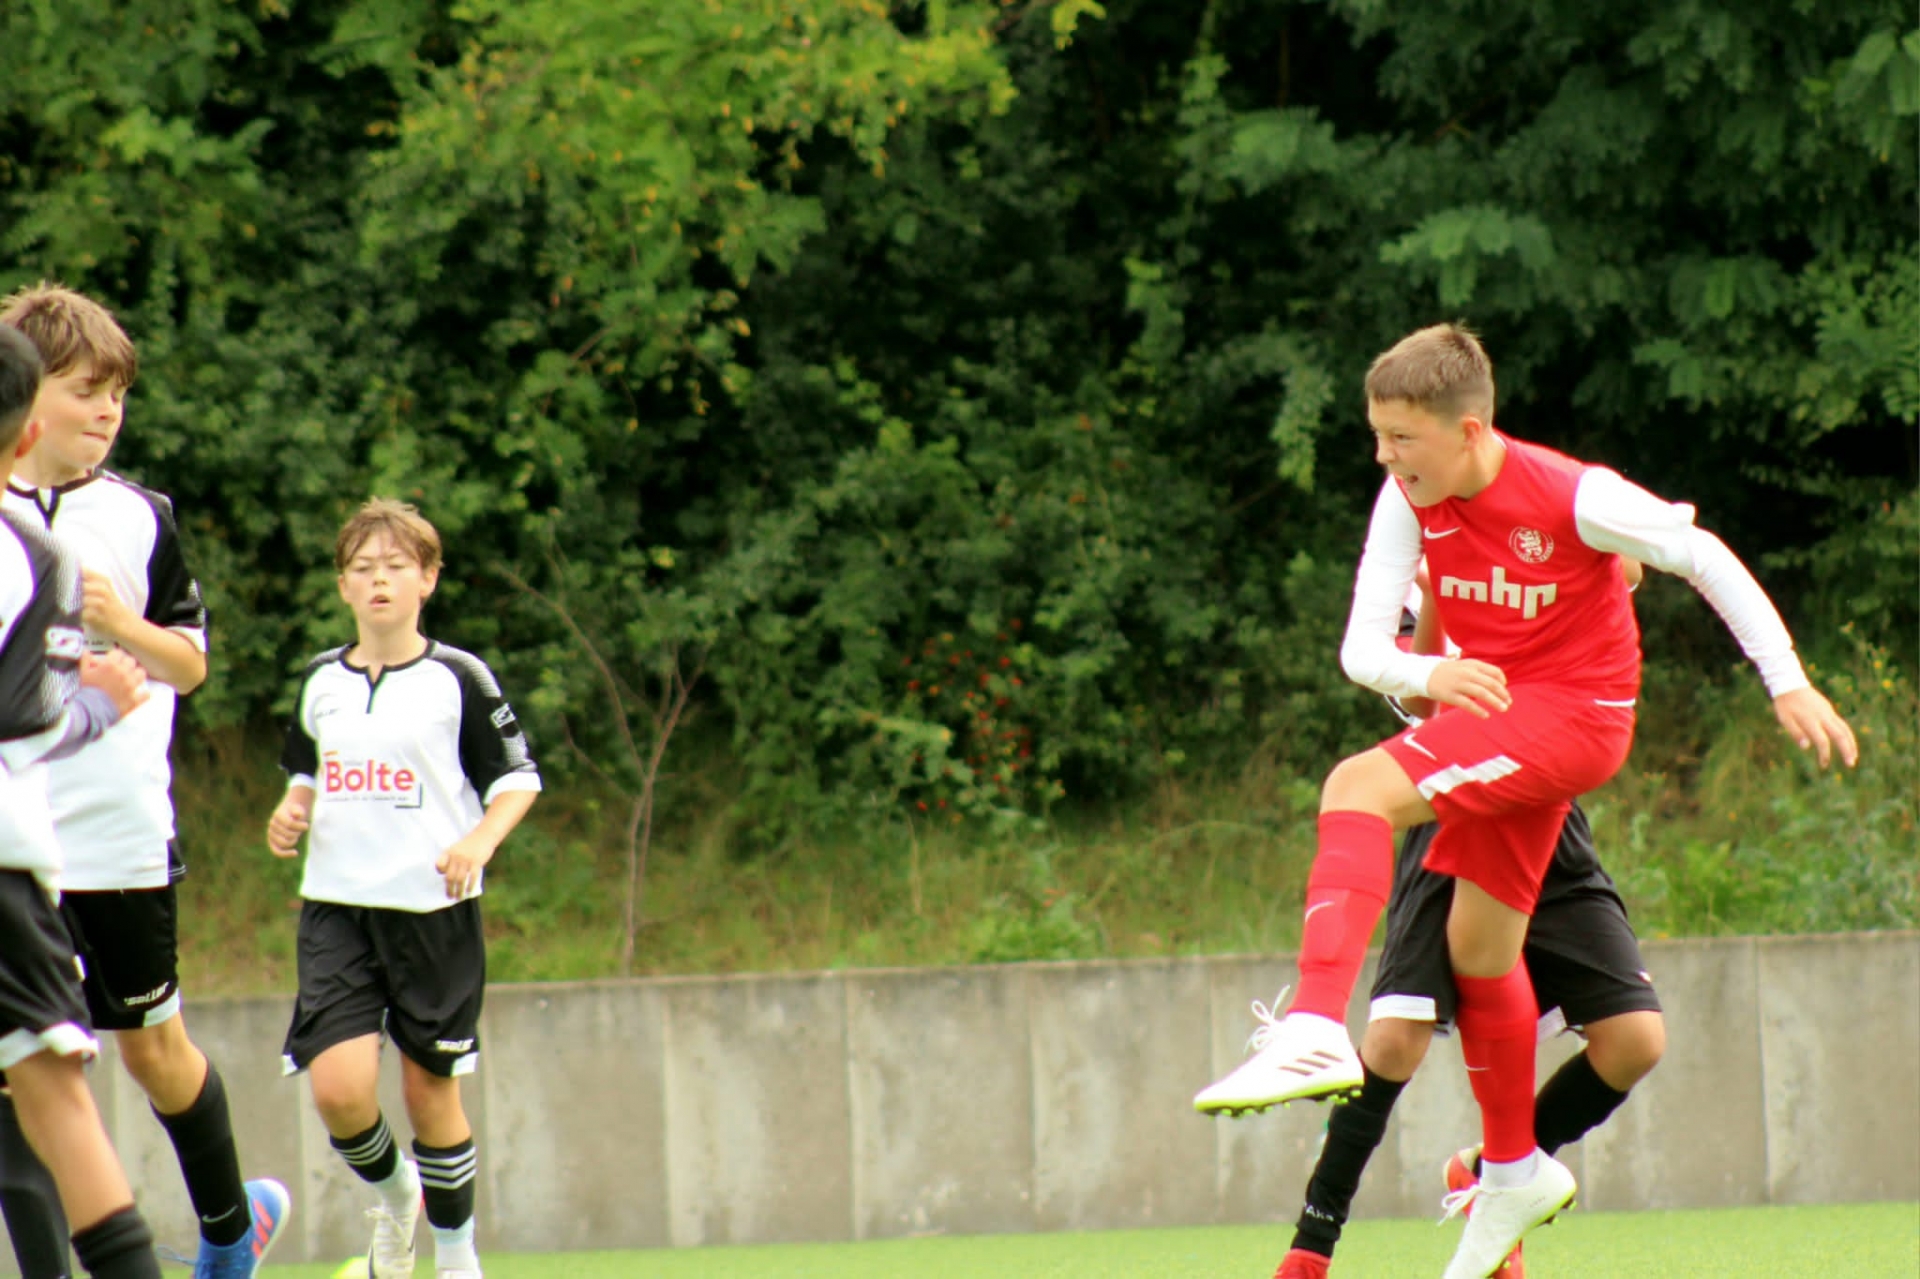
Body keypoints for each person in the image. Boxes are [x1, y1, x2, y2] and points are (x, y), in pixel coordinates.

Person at [1195, 323, 1857, 1278]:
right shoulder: (1406, 497)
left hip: (1579, 719)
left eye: (1402, 437)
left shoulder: (1572, 493)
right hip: (1507, 724)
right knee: (1479, 948)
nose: (1384, 456)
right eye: (1377, 435)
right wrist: (1432, 669)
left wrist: (1786, 682)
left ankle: (1310, 1026)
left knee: (1355, 786)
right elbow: (1362, 650)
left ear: (1469, 430)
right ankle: (1509, 1169)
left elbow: (1703, 554)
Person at [0, 284, 289, 1278]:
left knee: (153, 1051)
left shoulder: (139, 515)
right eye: (87, 391)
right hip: (22, 841)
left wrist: (122, 626)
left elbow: (191, 664)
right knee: (23, 1073)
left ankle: (229, 1237)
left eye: (118, 394)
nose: (108, 412)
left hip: (118, 836)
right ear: (29, 397)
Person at [1271, 563, 1665, 1279]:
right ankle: (1311, 1246)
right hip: (1452, 799)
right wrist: (1438, 593)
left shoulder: (1533, 526)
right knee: (1394, 1041)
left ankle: (1492, 1178)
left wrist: (1591, 549)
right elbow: (1423, 709)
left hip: (1547, 806)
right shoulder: (1412, 561)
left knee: (1635, 1040)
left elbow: (1624, 568)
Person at [267, 498, 541, 1279]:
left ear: (428, 579)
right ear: (343, 585)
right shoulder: (322, 679)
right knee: (339, 1090)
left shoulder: (459, 677)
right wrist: (293, 805)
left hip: (433, 913)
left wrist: (478, 841)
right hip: (338, 908)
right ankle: (396, 1196)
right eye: (363, 568)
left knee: (429, 1093)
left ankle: (457, 1259)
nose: (379, 580)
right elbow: (306, 767)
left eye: (395, 566)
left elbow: (517, 779)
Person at [0, 321, 166, 1279]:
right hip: (7, 867)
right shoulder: (36, 555)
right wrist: (100, 705)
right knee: (55, 1099)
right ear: (26, 432)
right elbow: (24, 728)